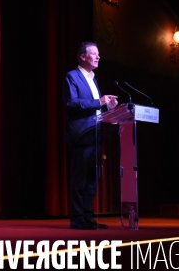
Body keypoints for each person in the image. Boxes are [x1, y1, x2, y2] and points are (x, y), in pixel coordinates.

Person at [63, 42, 118, 230]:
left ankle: (87, 217)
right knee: (80, 179)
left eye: (98, 54)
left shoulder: (93, 79)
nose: (98, 57)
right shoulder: (72, 76)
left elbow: (95, 105)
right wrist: (99, 101)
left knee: (92, 179)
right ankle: (77, 218)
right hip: (81, 135)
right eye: (93, 54)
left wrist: (107, 105)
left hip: (95, 135)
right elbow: (72, 103)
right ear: (83, 57)